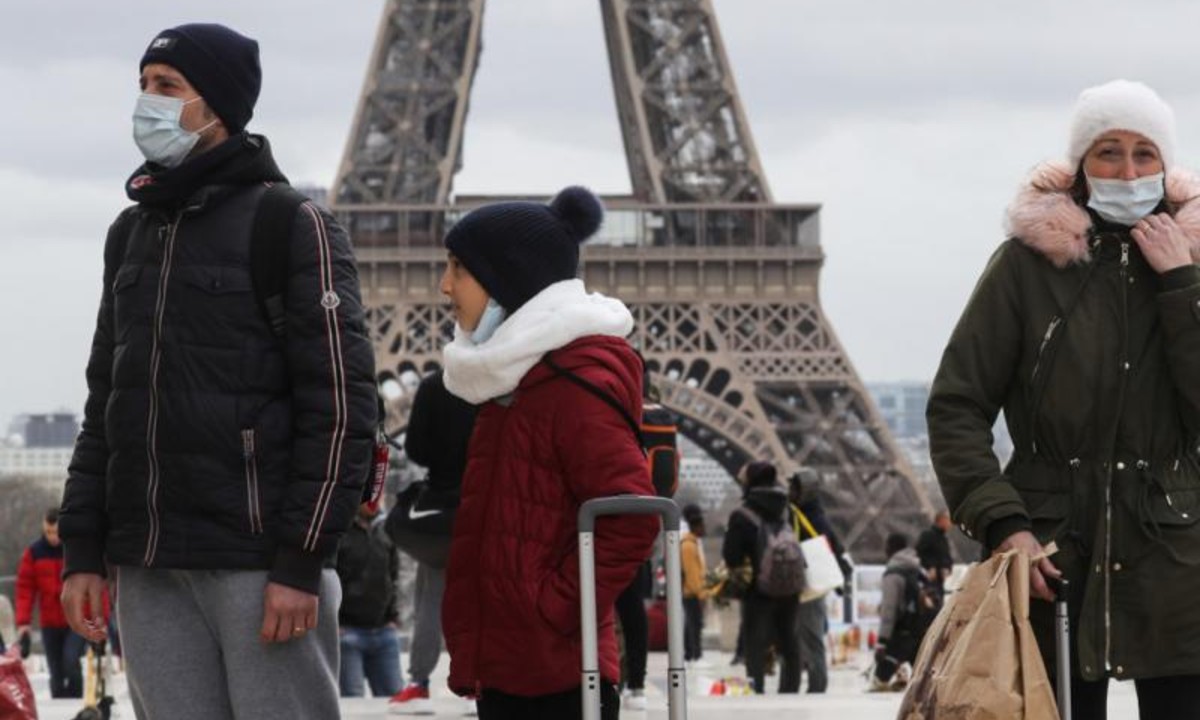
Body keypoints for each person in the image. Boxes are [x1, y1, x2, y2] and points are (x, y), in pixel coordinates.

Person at [57, 23, 377, 720]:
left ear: (219, 106)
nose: (148, 101)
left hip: (259, 563)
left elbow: (342, 407)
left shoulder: (291, 224)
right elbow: (107, 403)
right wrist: (83, 547)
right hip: (149, 561)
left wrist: (302, 559)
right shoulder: (130, 233)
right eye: (144, 84)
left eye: (168, 86)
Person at [927, 79, 1200, 719]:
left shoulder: (1193, 268)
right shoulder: (1025, 266)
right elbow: (958, 404)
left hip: (1176, 559)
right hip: (1050, 555)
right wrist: (1005, 524)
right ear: (1080, 166)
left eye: (1144, 153)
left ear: (1166, 166)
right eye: (1109, 152)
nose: (1127, 172)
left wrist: (1182, 284)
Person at [437, 186, 658, 720]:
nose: (445, 285)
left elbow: (632, 516)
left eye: (458, 269)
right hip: (512, 666)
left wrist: (553, 607)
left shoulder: (569, 387)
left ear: (506, 280)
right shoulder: (513, 383)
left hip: (557, 673)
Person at [388, 369, 478, 716]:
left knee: (430, 595)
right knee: (483, 598)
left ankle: (419, 683)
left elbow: (417, 449)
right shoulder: (496, 381)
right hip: (486, 503)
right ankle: (477, 683)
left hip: (440, 508)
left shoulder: (433, 385)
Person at [721, 460, 801, 695]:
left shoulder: (742, 514)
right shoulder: (787, 509)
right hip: (790, 586)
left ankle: (756, 689)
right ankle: (790, 691)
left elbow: (731, 556)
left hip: (758, 589)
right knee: (789, 639)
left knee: (755, 642)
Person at [785, 469, 851, 694]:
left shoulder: (810, 518)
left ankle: (817, 686)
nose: (790, 492)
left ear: (805, 491)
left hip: (810, 585)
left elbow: (832, 546)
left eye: (794, 488)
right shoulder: (811, 515)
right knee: (806, 637)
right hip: (808, 584)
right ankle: (813, 684)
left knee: (810, 638)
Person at [15, 508, 86, 698]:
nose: (52, 537)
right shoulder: (34, 553)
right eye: (48, 532)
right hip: (49, 622)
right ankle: (59, 706)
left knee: (71, 661)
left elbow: (92, 584)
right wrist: (23, 623)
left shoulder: (75, 550)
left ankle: (77, 702)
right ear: (43, 528)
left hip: (75, 620)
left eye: (56, 532)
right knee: (56, 674)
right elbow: (25, 589)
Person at [336, 500, 402, 698]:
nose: (374, 499)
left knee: (395, 702)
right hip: (347, 634)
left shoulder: (388, 528)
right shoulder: (339, 530)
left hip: (384, 633)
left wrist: (393, 618)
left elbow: (394, 576)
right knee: (353, 702)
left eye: (378, 494)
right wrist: (334, 624)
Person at [872, 533, 933, 691]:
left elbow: (889, 610)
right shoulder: (919, 570)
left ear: (890, 548)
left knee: (879, 681)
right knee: (926, 682)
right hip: (922, 629)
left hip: (901, 632)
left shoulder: (893, 574)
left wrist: (882, 641)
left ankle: (897, 677)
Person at [680, 504, 710, 666]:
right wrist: (701, 594)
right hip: (691, 592)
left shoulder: (692, 543)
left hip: (692, 592)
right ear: (696, 527)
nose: (705, 529)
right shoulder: (688, 546)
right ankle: (695, 655)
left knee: (692, 624)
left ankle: (691, 655)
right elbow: (691, 574)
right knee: (694, 625)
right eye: (702, 526)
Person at [915, 510, 954, 593]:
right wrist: (930, 566)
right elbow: (920, 553)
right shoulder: (927, 535)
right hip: (929, 577)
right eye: (948, 520)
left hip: (940, 578)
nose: (950, 524)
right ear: (941, 520)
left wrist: (947, 567)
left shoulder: (943, 538)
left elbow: (946, 556)